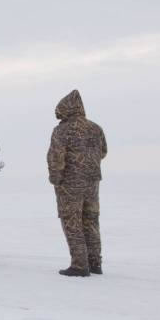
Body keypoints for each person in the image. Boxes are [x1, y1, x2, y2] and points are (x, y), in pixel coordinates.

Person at [47, 90, 107, 277]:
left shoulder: (62, 130)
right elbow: (103, 151)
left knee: (72, 221)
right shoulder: (96, 128)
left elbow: (56, 157)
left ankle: (80, 265)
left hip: (70, 184)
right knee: (91, 221)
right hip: (92, 181)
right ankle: (95, 263)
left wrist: (55, 178)